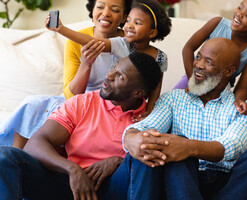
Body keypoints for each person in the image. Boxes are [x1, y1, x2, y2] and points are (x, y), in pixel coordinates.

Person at [121, 38, 247, 200]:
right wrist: (131, 136)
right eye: (198, 57)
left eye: (208, 62)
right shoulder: (173, 99)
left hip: (226, 186)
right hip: (181, 181)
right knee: (177, 150)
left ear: (229, 71)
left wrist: (189, 147)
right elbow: (148, 125)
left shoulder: (244, 109)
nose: (199, 65)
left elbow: (230, 147)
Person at [0, 52, 162, 200]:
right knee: (5, 156)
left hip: (115, 188)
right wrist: (73, 169)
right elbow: (35, 143)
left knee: (144, 159)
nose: (109, 75)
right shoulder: (83, 102)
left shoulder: (152, 118)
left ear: (138, 93)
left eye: (120, 76)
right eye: (114, 67)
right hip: (70, 183)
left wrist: (119, 161)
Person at [0, 0, 136, 149]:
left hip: (111, 104)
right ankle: (15, 159)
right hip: (78, 101)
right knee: (32, 104)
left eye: (115, 10)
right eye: (100, 7)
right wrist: (86, 64)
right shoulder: (74, 41)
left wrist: (62, 29)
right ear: (92, 9)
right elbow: (70, 95)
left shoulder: (128, 43)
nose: (106, 13)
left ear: (124, 17)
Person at [45, 0, 172, 121]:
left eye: (137, 23)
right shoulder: (121, 44)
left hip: (136, 106)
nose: (129, 26)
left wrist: (149, 112)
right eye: (128, 20)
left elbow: (156, 89)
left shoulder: (160, 57)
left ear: (152, 32)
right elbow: (91, 41)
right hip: (113, 104)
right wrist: (61, 29)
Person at [174, 0, 247, 114]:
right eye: (240, 7)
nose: (239, 14)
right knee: (175, 107)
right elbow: (188, 48)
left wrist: (239, 102)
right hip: (194, 78)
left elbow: (243, 86)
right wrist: (192, 82)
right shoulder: (217, 24)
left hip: (219, 91)